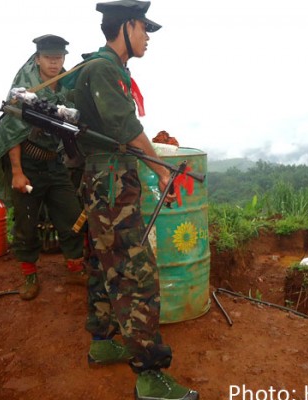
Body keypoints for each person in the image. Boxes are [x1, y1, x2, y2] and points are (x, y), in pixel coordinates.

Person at [71, 1, 199, 399]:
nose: (148, 38)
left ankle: (104, 341)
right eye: (144, 29)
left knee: (104, 262)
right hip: (110, 181)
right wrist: (162, 169)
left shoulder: (108, 70)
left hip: (106, 180)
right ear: (126, 26)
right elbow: (125, 126)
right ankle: (150, 376)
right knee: (136, 273)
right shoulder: (103, 69)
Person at [0, 35, 86, 301]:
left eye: (59, 58)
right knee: (26, 222)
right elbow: (12, 132)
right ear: (38, 58)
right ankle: (29, 275)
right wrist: (18, 172)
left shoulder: (65, 85)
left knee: (72, 216)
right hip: (28, 164)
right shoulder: (25, 89)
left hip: (55, 163)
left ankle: (75, 268)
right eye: (49, 58)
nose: (55, 63)